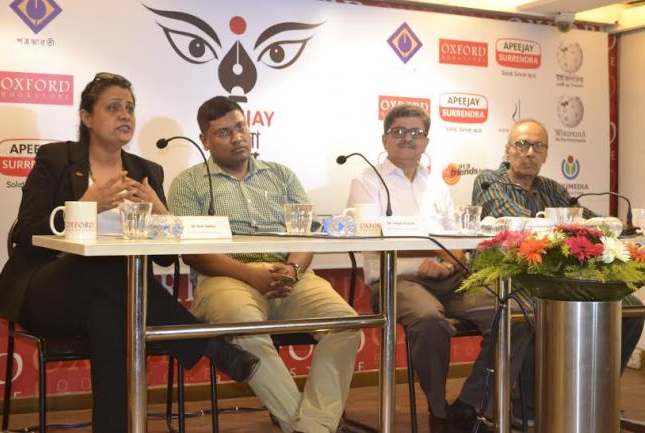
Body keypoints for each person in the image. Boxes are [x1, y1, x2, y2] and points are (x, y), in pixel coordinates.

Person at [0, 73, 260, 433]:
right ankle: (208, 343)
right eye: (113, 108)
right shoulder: (56, 159)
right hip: (49, 294)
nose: (125, 115)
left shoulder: (145, 171)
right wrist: (86, 205)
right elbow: (26, 233)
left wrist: (161, 215)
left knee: (113, 316)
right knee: (100, 263)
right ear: (87, 117)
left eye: (130, 108)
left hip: (117, 301)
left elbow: (164, 259)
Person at [167, 96, 360, 433]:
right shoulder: (189, 182)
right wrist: (251, 275)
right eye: (224, 132)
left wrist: (293, 270)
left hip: (289, 275)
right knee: (244, 329)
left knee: (345, 324)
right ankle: (315, 428)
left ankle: (311, 426)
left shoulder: (281, 175)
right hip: (226, 276)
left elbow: (306, 233)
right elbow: (193, 253)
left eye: (240, 127)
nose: (237, 137)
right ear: (204, 140)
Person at [345, 104, 526, 433]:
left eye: (416, 132)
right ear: (385, 139)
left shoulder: (437, 185)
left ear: (426, 142)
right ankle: (439, 411)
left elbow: (456, 240)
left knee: (516, 314)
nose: (407, 138)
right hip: (395, 280)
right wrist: (433, 248)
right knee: (430, 321)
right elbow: (373, 235)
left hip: (448, 277)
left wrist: (444, 261)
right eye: (399, 131)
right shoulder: (366, 181)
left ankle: (471, 405)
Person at [472, 117, 644, 425]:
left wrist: (617, 225)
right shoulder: (489, 181)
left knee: (630, 308)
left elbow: (592, 222)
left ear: (546, 154)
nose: (530, 152)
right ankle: (530, 407)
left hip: (554, 277)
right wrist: (569, 226)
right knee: (534, 308)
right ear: (508, 149)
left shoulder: (553, 189)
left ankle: (597, 392)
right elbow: (516, 220)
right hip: (508, 277)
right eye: (522, 144)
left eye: (538, 146)